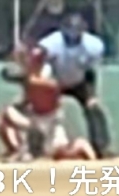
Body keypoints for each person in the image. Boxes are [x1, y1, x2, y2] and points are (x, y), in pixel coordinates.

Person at [0, 44, 96, 161]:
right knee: (3, 116)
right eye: (32, 59)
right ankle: (16, 150)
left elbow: (52, 87)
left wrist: (27, 80)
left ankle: (80, 145)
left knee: (58, 153)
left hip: (50, 119)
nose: (33, 62)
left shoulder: (47, 72)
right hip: (33, 117)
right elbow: (28, 94)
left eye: (37, 60)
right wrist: (20, 106)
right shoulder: (30, 74)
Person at [36, 13, 110, 158]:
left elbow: (90, 72)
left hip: (79, 82)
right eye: (70, 30)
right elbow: (41, 65)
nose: (73, 35)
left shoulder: (92, 45)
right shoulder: (51, 43)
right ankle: (36, 149)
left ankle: (99, 148)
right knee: (41, 111)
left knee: (93, 109)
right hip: (55, 82)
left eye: (77, 31)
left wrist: (91, 95)